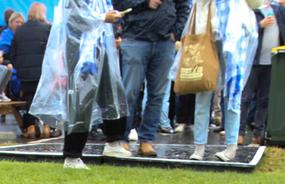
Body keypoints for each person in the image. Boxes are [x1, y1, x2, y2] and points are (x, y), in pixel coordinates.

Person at [27, 0, 126, 168]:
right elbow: (75, 17)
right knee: (81, 99)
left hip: (100, 45)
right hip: (80, 50)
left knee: (111, 92)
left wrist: (108, 17)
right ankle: (72, 155)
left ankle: (114, 141)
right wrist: (103, 17)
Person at [113, 0, 190, 157]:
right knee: (129, 93)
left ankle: (147, 139)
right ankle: (122, 138)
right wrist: (145, 2)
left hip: (164, 42)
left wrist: (177, 31)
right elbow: (119, 3)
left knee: (157, 95)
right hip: (135, 39)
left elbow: (183, 6)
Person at [187, 0, 258, 161]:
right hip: (207, 40)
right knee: (203, 94)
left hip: (234, 42)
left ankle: (231, 146)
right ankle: (199, 147)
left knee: (232, 95)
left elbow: (256, 5)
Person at [238, 0, 285, 146]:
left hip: (273, 63)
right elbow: (241, 32)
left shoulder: (279, 11)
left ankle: (258, 135)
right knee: (245, 98)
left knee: (264, 100)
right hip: (252, 62)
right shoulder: (251, 11)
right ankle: (238, 133)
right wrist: (260, 25)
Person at [8, 3, 50, 138]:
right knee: (45, 99)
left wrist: (19, 67)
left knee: (30, 99)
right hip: (43, 72)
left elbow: (12, 54)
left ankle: (31, 127)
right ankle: (47, 126)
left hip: (25, 73)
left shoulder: (19, 31)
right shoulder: (47, 29)